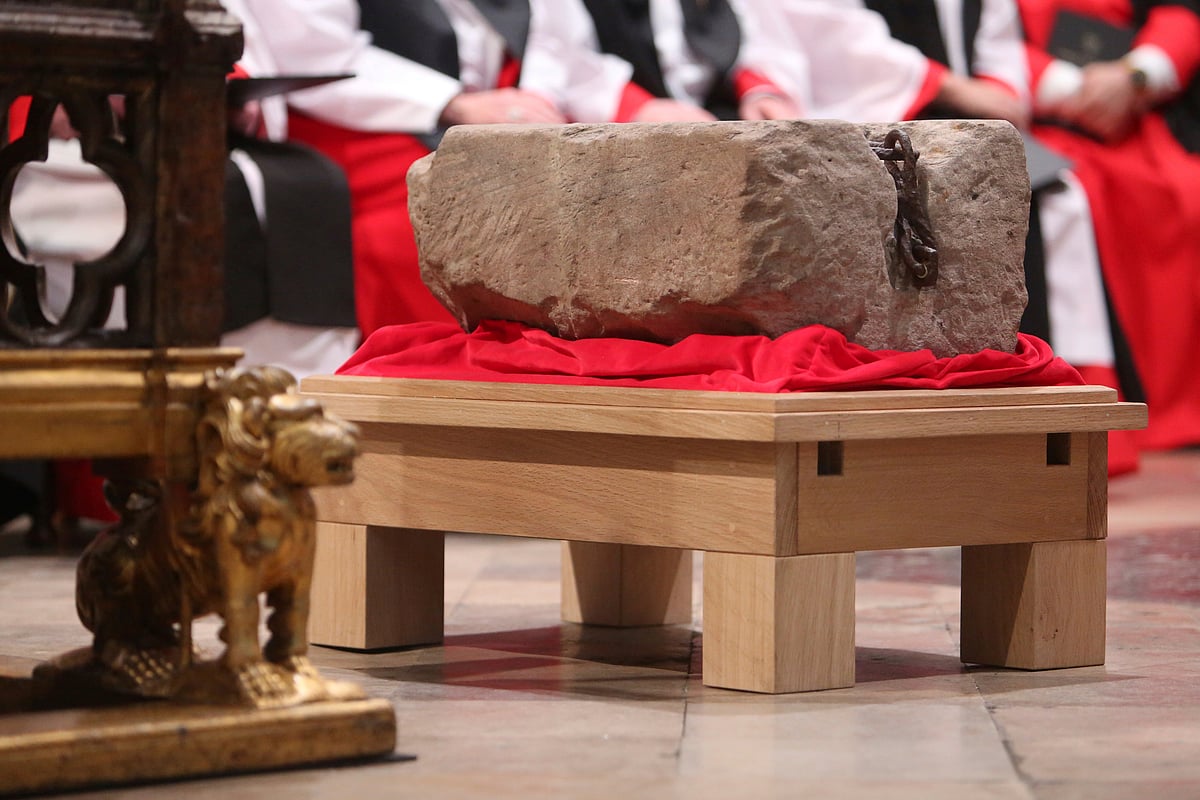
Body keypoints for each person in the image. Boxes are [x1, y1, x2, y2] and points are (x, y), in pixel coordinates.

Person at [230, 0, 708, 338]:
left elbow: (558, 48)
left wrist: (637, 106)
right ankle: (455, 402)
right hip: (363, 119)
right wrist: (453, 103)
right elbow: (311, 49)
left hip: (490, 112)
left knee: (623, 188)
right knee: (446, 212)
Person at [1017, 0, 1200, 451]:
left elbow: (1179, 14)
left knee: (1186, 194)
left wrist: (1136, 76)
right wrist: (1072, 89)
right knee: (1074, 200)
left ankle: (1180, 405)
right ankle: (1098, 397)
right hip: (1039, 117)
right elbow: (982, 39)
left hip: (1138, 111)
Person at [570, 0, 806, 122]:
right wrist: (634, 105)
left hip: (718, 108)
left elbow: (755, 29)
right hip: (618, 119)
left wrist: (758, 90)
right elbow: (559, 48)